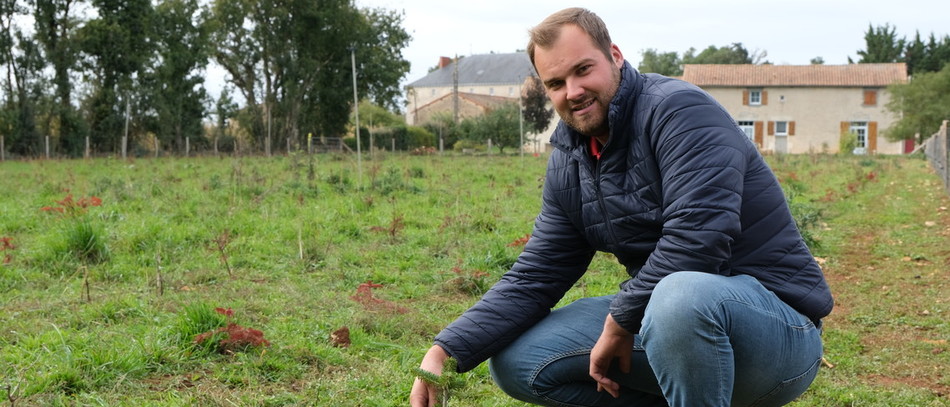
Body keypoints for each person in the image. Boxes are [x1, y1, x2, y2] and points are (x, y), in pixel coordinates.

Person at [410, 7, 833, 407]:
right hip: (672, 323)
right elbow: (538, 273)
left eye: (582, 70)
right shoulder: (570, 158)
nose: (572, 92)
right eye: (556, 83)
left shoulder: (679, 112)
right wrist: (445, 350)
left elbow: (698, 240)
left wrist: (620, 321)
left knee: (679, 295)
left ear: (614, 56)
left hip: (778, 332)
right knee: (518, 361)